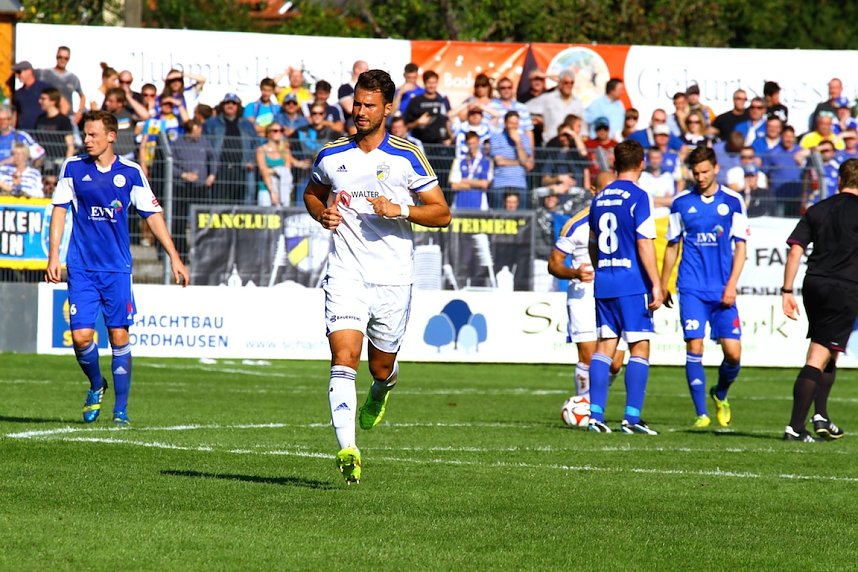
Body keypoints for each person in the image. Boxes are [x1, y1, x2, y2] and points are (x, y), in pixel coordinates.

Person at [303, 69, 451, 484]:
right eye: (356, 103)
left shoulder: (407, 155)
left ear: (388, 108)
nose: (360, 112)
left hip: (393, 279)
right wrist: (322, 213)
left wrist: (400, 210)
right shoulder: (332, 154)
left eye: (369, 105)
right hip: (346, 273)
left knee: (380, 367)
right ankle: (348, 449)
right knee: (343, 357)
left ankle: (381, 391)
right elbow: (312, 193)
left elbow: (442, 213)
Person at [45, 110, 189, 427]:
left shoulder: (131, 172)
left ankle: (120, 410)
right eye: (85, 134)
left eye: (93, 134)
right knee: (82, 337)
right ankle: (97, 385)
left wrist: (174, 257)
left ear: (111, 136)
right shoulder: (73, 168)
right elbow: (59, 211)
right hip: (81, 267)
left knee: (118, 334)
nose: (87, 140)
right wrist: (53, 255)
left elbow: (152, 215)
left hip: (116, 269)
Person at [660, 145, 749, 428]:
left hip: (723, 288)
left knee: (733, 353)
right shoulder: (681, 203)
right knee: (694, 344)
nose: (699, 177)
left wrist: (732, 285)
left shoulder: (733, 201)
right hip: (691, 287)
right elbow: (672, 247)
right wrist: (662, 285)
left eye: (704, 172)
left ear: (716, 169)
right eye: (695, 173)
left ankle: (720, 393)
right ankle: (701, 414)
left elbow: (741, 248)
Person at [586, 139, 663, 433]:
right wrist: (656, 284)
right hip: (632, 283)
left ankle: (595, 416)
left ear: (615, 164)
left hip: (605, 280)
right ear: (642, 164)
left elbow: (594, 244)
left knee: (605, 346)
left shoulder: (600, 198)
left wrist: (600, 269)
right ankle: (631, 418)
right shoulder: (639, 196)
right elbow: (644, 243)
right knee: (639, 346)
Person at [781, 157, 858, 442]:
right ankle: (794, 427)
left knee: (829, 350)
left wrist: (787, 291)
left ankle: (821, 415)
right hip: (845, 288)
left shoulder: (818, 209)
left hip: (813, 285)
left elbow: (795, 250)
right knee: (818, 355)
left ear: (839, 180)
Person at [548, 170, 626, 400]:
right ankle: (586, 405)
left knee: (614, 364)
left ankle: (593, 399)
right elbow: (554, 264)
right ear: (593, 191)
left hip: (616, 293)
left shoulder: (626, 220)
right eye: (605, 191)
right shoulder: (576, 224)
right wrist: (574, 272)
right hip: (584, 294)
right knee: (590, 357)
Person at [171, 118, 216, 261]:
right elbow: (169, 164)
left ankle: (202, 251)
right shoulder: (177, 144)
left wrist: (212, 174)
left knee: (202, 220)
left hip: (201, 187)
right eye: (196, 132)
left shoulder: (204, 142)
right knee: (180, 221)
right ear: (188, 132)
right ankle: (182, 254)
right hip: (182, 187)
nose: (199, 134)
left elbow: (213, 158)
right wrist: (183, 175)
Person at [203, 93, 258, 204]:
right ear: (222, 105)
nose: (230, 105)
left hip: (242, 169)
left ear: (238, 106)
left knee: (241, 201)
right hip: (220, 169)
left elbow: (255, 144)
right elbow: (205, 144)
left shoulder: (247, 124)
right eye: (227, 103)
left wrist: (252, 161)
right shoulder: (212, 123)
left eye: (234, 103)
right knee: (218, 202)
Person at [489, 110, 534, 209]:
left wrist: (518, 142)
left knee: (522, 218)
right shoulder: (496, 138)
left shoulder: (524, 139)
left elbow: (526, 162)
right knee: (498, 216)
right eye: (511, 123)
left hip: (519, 183)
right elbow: (500, 161)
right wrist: (520, 162)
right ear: (505, 123)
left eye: (516, 123)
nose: (514, 126)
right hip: (500, 183)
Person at [527, 70, 586, 146]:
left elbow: (583, 127)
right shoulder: (548, 99)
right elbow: (524, 108)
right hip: (551, 145)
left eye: (572, 82)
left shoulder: (577, 102)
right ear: (560, 83)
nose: (569, 85)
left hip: (571, 147)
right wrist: (536, 119)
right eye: (566, 82)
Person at [36, 46, 87, 126]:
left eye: (66, 58)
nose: (62, 60)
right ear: (56, 57)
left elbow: (82, 96)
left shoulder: (73, 78)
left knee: (75, 138)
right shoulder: (45, 74)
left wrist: (79, 112)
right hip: (49, 117)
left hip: (67, 118)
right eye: (60, 57)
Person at [256, 122, 304, 206]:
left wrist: (271, 170)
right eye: (275, 131)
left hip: (282, 189)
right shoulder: (261, 150)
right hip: (265, 188)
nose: (278, 133)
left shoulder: (285, 150)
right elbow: (263, 171)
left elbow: (287, 171)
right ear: (268, 133)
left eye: (281, 130)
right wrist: (272, 192)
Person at [403, 70, 452, 146]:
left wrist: (450, 137)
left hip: (441, 145)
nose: (432, 86)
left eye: (434, 83)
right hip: (420, 144)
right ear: (424, 83)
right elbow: (406, 125)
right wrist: (417, 123)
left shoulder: (443, 100)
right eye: (429, 83)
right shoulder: (415, 101)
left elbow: (448, 120)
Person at [448, 130, 492, 210]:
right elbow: (454, 185)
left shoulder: (486, 161)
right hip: (459, 202)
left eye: (474, 143)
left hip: (479, 204)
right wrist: (476, 184)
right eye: (469, 144)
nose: (472, 146)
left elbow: (485, 184)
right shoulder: (459, 160)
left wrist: (463, 180)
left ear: (478, 142)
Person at [11, 61, 54, 130]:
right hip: (23, 133)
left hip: (41, 132)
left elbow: (61, 104)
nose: (17, 76)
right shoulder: (18, 93)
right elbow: (15, 114)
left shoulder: (44, 87)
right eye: (16, 73)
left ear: (29, 71)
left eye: (19, 72)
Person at [337, 59, 369, 134]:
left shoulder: (369, 88)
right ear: (357, 70)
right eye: (366, 70)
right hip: (353, 121)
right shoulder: (345, 88)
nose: (368, 73)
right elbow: (349, 108)